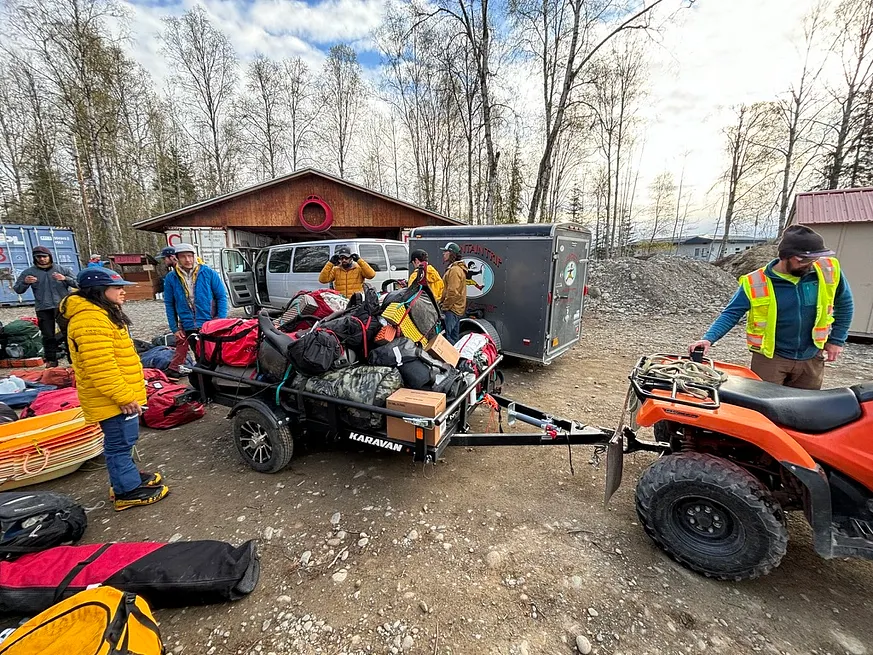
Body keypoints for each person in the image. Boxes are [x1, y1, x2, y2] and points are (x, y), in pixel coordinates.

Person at [689, 225, 854, 390]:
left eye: (814, 259)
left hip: (811, 358)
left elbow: (845, 304)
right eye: (802, 260)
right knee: (763, 402)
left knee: (806, 404)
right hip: (771, 359)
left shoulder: (828, 271)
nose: (809, 264)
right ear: (785, 256)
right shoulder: (755, 282)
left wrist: (836, 340)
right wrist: (709, 338)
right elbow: (731, 313)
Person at [60, 267, 169, 511]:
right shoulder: (90, 320)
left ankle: (125, 478)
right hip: (113, 399)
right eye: (117, 287)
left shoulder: (100, 314)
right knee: (120, 443)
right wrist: (124, 397)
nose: (123, 292)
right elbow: (101, 367)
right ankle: (127, 492)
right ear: (99, 290)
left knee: (122, 442)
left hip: (115, 396)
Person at [163, 243, 228, 379]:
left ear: (195, 256)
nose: (187, 260)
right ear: (177, 258)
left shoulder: (208, 273)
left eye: (190, 256)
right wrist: (174, 328)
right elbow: (169, 304)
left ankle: (218, 381)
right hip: (188, 325)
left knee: (214, 355)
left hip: (209, 323)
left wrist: (220, 320)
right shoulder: (171, 278)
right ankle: (204, 384)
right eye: (183, 256)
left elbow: (222, 297)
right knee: (199, 356)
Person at [12, 246, 75, 368]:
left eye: (44, 256)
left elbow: (79, 283)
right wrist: (25, 282)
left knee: (69, 333)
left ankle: (73, 360)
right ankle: (51, 361)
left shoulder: (62, 269)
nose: (42, 259)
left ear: (50, 256)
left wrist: (65, 279)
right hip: (43, 308)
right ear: (35, 258)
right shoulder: (29, 272)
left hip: (62, 307)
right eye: (38, 257)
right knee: (47, 336)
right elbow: (18, 289)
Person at [440, 242, 468, 344]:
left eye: (446, 252)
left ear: (452, 254)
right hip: (455, 309)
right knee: (453, 338)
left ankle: (450, 354)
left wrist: (444, 307)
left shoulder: (455, 270)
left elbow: (453, 292)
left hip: (451, 310)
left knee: (448, 338)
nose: (443, 254)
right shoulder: (456, 268)